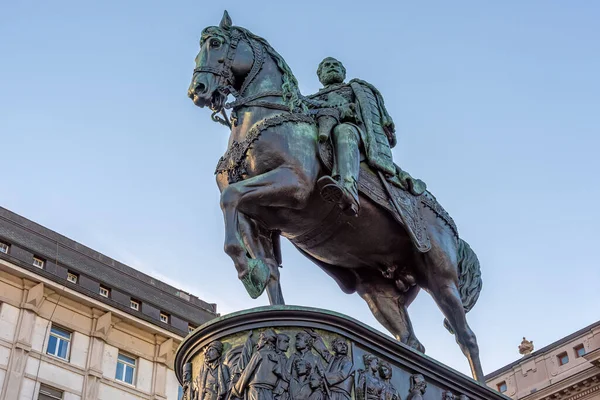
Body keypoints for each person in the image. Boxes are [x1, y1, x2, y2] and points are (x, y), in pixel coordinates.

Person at [308, 57, 397, 216]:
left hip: (357, 132)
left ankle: (348, 189)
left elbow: (371, 116)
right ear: (320, 76)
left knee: (344, 131)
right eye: (327, 66)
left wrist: (349, 110)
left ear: (343, 72)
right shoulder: (311, 99)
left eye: (336, 65)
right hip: (322, 135)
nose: (332, 67)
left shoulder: (355, 89)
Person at [233, 329, 284, 400]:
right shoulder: (278, 357)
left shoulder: (259, 354)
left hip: (256, 391)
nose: (258, 343)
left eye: (259, 339)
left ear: (265, 341)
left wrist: (236, 390)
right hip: (270, 391)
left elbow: (247, 373)